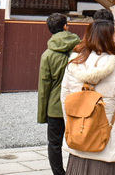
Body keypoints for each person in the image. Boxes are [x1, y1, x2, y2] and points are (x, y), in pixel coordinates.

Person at [61, 19, 115, 174]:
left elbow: (65, 101)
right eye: (113, 35)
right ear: (107, 38)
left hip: (80, 137)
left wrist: (73, 127)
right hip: (108, 141)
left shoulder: (74, 64)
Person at [38, 13, 81, 175]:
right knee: (77, 141)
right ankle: (76, 170)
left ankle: (59, 173)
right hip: (77, 104)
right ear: (65, 26)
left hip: (55, 107)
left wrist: (43, 114)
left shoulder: (47, 55)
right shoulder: (80, 49)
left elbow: (44, 88)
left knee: (54, 143)